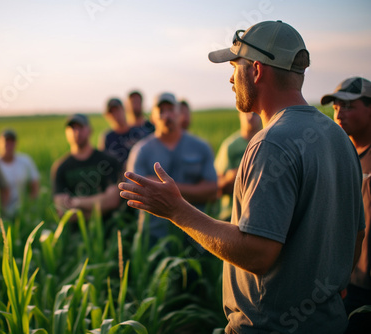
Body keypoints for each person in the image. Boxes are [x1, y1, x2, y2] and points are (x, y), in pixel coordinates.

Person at [119, 20, 365, 333]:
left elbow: (257, 253)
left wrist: (177, 210)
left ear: (256, 71)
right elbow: (357, 233)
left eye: (235, 66)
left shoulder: (271, 142)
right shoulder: (339, 137)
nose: (231, 79)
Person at [126, 92, 217, 246]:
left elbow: (212, 191)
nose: (166, 115)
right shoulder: (141, 151)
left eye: (171, 110)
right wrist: (193, 191)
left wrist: (167, 191)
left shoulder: (201, 147)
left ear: (180, 114)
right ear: (153, 117)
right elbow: (135, 195)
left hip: (197, 237)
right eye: (161, 111)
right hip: (154, 241)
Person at [321, 76, 371, 332]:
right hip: (342, 282)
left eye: (349, 106)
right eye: (336, 106)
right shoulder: (338, 155)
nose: (339, 113)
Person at [52, 113, 121, 222]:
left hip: (108, 230)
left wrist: (77, 202)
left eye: (80, 127)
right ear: (66, 133)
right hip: (75, 234)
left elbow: (112, 201)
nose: (76, 132)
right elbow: (62, 210)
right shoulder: (61, 167)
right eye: (72, 128)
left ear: (90, 130)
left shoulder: (107, 161)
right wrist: (98, 207)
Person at [214, 111, 262, 221]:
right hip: (232, 214)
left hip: (260, 213)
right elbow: (217, 185)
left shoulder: (268, 143)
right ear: (239, 115)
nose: (250, 117)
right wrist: (234, 177)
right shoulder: (230, 146)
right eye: (246, 113)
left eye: (254, 113)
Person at [0, 128, 40, 218]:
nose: (9, 145)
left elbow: (35, 185)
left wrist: (29, 205)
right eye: (6, 141)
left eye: (12, 142)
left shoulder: (25, 161)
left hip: (22, 210)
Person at [98, 98, 149, 170]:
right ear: (107, 116)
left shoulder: (138, 133)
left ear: (124, 110)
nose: (116, 115)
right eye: (112, 112)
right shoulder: (107, 137)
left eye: (118, 110)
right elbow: (103, 163)